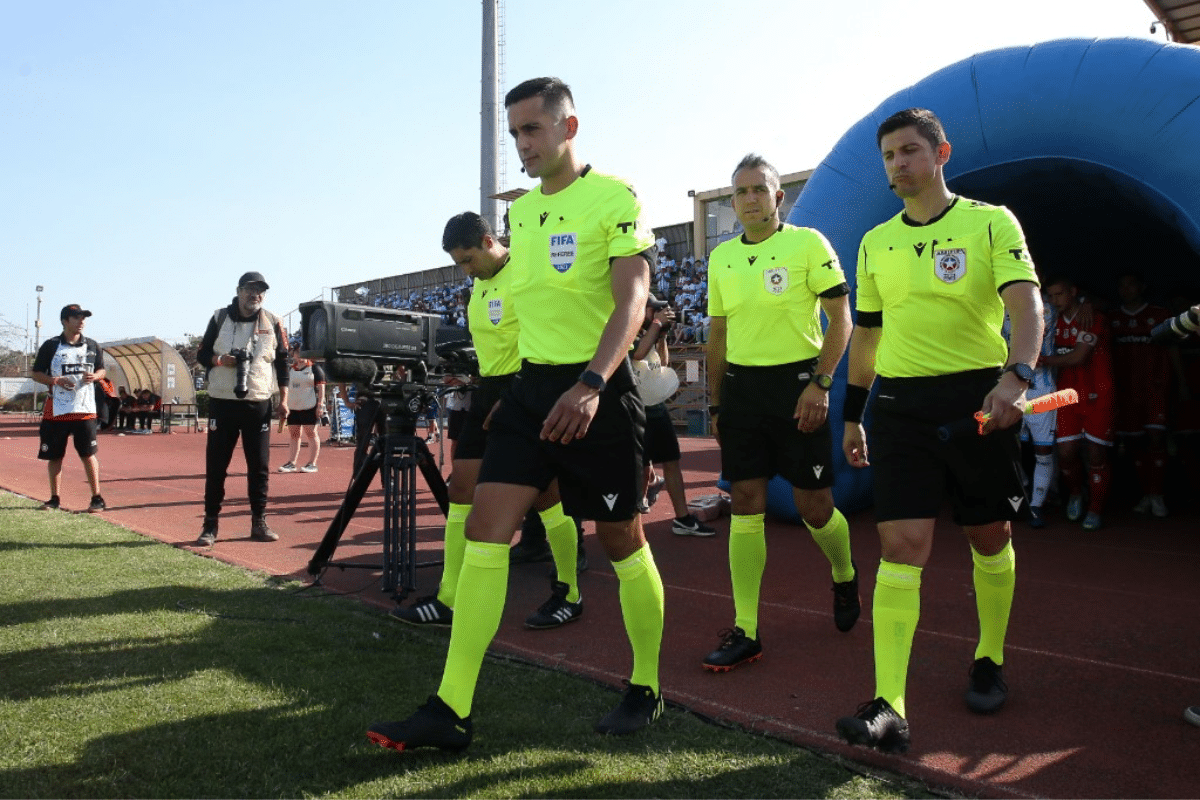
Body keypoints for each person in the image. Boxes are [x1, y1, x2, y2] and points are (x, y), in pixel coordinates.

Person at [368, 77, 664, 752]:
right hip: (532, 394)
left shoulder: (615, 197)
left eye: (532, 130)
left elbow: (632, 302)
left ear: (569, 127)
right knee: (484, 534)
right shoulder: (524, 215)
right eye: (514, 135)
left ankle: (645, 685)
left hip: (601, 393)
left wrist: (590, 384)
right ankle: (450, 709)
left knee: (622, 543)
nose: (522, 146)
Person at [835, 109, 1042, 754]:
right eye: (889, 156)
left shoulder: (990, 221)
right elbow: (865, 335)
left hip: (977, 399)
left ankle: (988, 655)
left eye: (908, 151)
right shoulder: (874, 241)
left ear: (941, 152)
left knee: (988, 534)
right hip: (899, 409)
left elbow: (1024, 303)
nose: (898, 164)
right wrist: (852, 412)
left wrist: (1019, 377)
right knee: (899, 546)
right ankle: (889, 703)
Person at [390, 211, 585, 631]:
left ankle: (569, 591)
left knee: (547, 496)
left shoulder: (529, 273)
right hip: (487, 391)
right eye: (460, 263)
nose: (466, 270)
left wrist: (520, 391)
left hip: (527, 390)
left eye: (467, 259)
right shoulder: (475, 288)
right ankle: (449, 598)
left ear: (488, 241)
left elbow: (546, 335)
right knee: (460, 487)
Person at [704, 153, 858, 673]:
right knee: (746, 502)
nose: (748, 199)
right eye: (739, 192)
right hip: (744, 393)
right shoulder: (721, 258)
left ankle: (843, 571)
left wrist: (820, 382)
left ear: (778, 197)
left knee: (815, 508)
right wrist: (718, 402)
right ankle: (746, 629)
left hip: (799, 387)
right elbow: (718, 336)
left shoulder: (808, 244)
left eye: (757, 190)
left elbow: (843, 318)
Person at [193, 271, 290, 546]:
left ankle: (259, 522)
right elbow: (202, 354)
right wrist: (219, 359)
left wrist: (283, 400)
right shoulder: (219, 317)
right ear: (238, 291)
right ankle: (210, 525)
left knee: (259, 467)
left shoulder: (273, 321)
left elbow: (282, 363)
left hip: (258, 402)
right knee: (216, 466)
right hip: (223, 402)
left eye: (260, 291)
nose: (255, 295)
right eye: (249, 289)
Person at [631, 294, 715, 537]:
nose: (658, 314)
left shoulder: (651, 334)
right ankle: (631, 524)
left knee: (671, 461)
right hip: (635, 410)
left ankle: (682, 518)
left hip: (656, 408)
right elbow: (637, 354)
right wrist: (656, 326)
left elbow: (662, 365)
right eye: (653, 310)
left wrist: (663, 336)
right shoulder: (627, 331)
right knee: (637, 468)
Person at [1042, 276, 1115, 531]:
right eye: (1050, 295)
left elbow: (1079, 357)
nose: (1054, 300)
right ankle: (1075, 494)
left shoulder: (1092, 316)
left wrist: (1040, 360)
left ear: (1073, 291)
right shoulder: (1052, 318)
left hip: (1098, 394)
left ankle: (1095, 509)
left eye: (1059, 294)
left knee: (1096, 453)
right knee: (1066, 453)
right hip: (1065, 395)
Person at [30, 304, 108, 513]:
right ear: (65, 321)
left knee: (88, 454)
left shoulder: (93, 345)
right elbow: (36, 373)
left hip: (85, 409)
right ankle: (54, 498)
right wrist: (54, 380)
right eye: (76, 317)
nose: (81, 321)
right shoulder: (51, 345)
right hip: (57, 410)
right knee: (55, 456)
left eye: (83, 318)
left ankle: (97, 498)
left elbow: (102, 369)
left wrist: (96, 376)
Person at [1110, 272, 1171, 517]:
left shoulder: (1159, 315)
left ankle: (1158, 494)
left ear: (1142, 286)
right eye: (1122, 285)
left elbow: (1171, 351)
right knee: (1134, 442)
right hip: (1126, 392)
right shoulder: (1112, 318)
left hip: (1154, 389)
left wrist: (1176, 384)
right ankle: (1146, 494)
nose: (1126, 289)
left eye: (1131, 284)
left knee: (1156, 439)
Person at [1002, 293, 1059, 528]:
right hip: (1009, 390)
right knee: (1008, 449)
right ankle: (1020, 497)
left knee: (1043, 451)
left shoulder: (1050, 306)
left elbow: (1078, 300)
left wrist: (1086, 304)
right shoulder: (997, 306)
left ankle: (1035, 506)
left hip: (1043, 391)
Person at [279, 345, 326, 474]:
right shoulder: (290, 369)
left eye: (302, 353)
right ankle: (292, 463)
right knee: (294, 435)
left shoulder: (315, 369)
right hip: (293, 407)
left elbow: (322, 389)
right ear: (293, 354)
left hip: (309, 407)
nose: (299, 356)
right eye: (297, 353)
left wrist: (320, 405)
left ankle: (312, 463)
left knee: (311, 434)